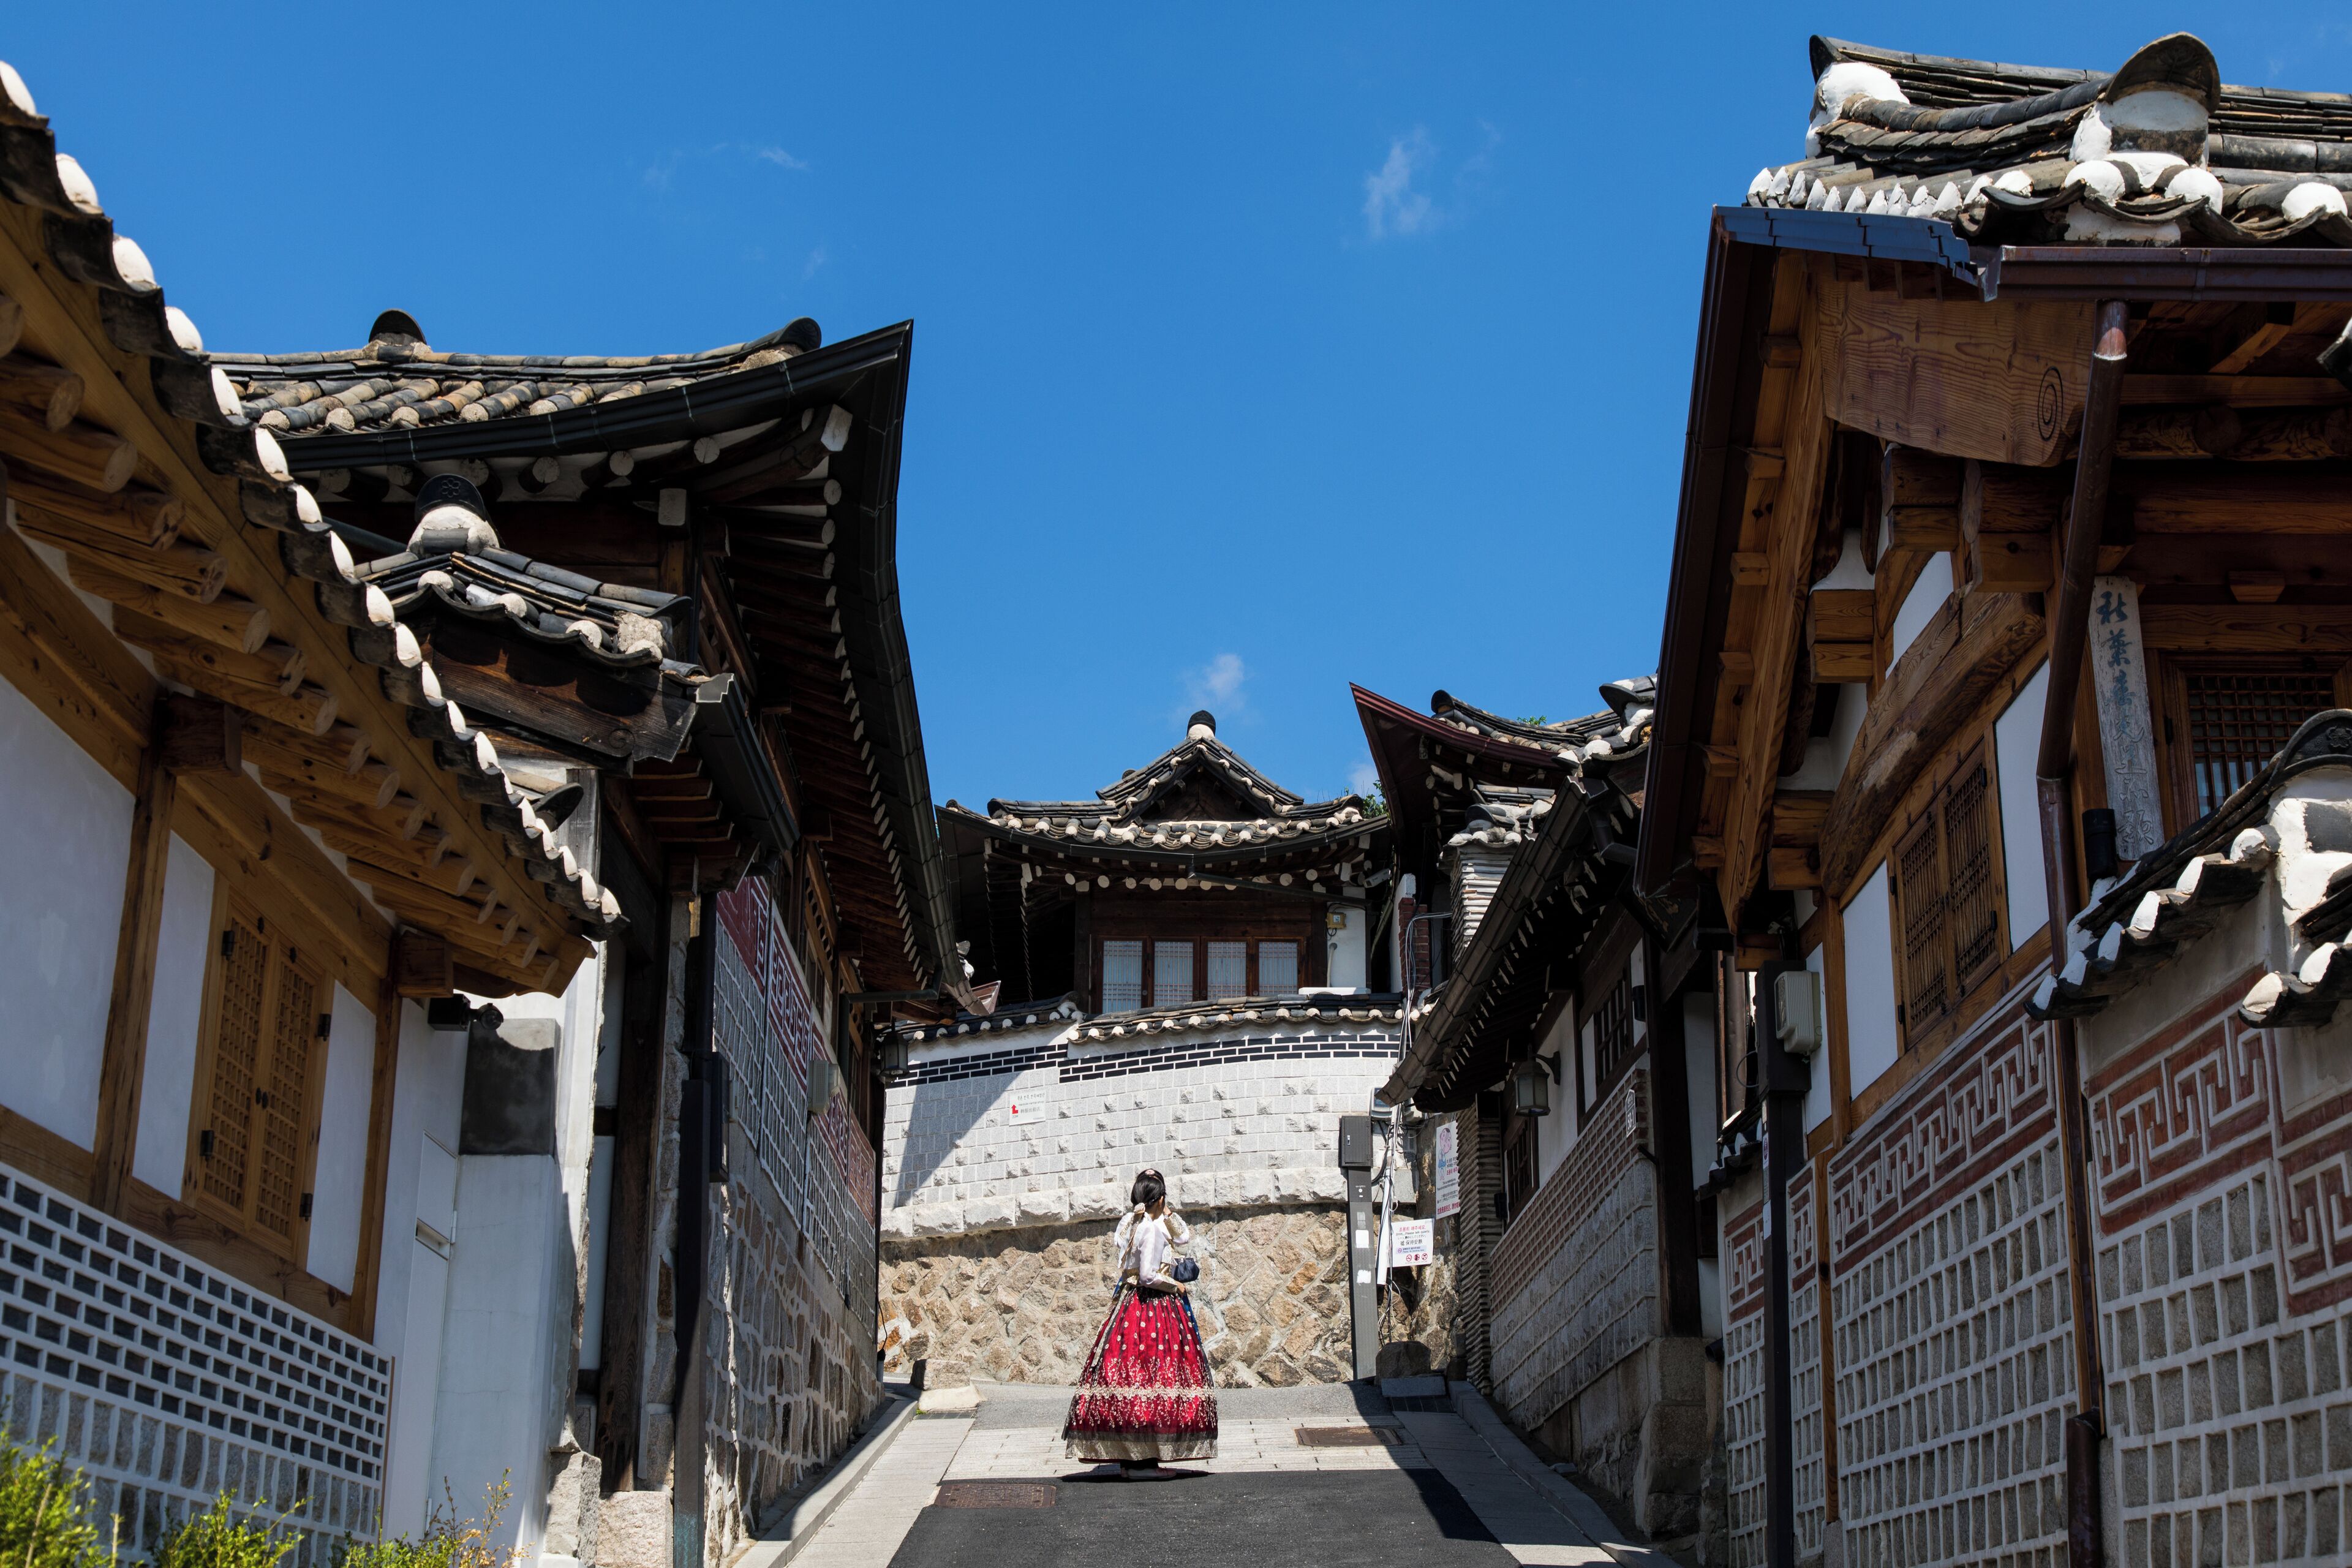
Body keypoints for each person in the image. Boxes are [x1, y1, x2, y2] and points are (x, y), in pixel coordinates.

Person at [1062, 1167, 1218, 1476]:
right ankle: (1146, 1461)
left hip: (1128, 1305)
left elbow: (1133, 1259)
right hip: (1153, 1307)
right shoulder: (1152, 1229)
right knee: (1155, 1372)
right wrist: (1176, 1285)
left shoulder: (1132, 1224)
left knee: (1126, 1372)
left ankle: (1129, 1460)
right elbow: (1148, 1276)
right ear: (1160, 1199)